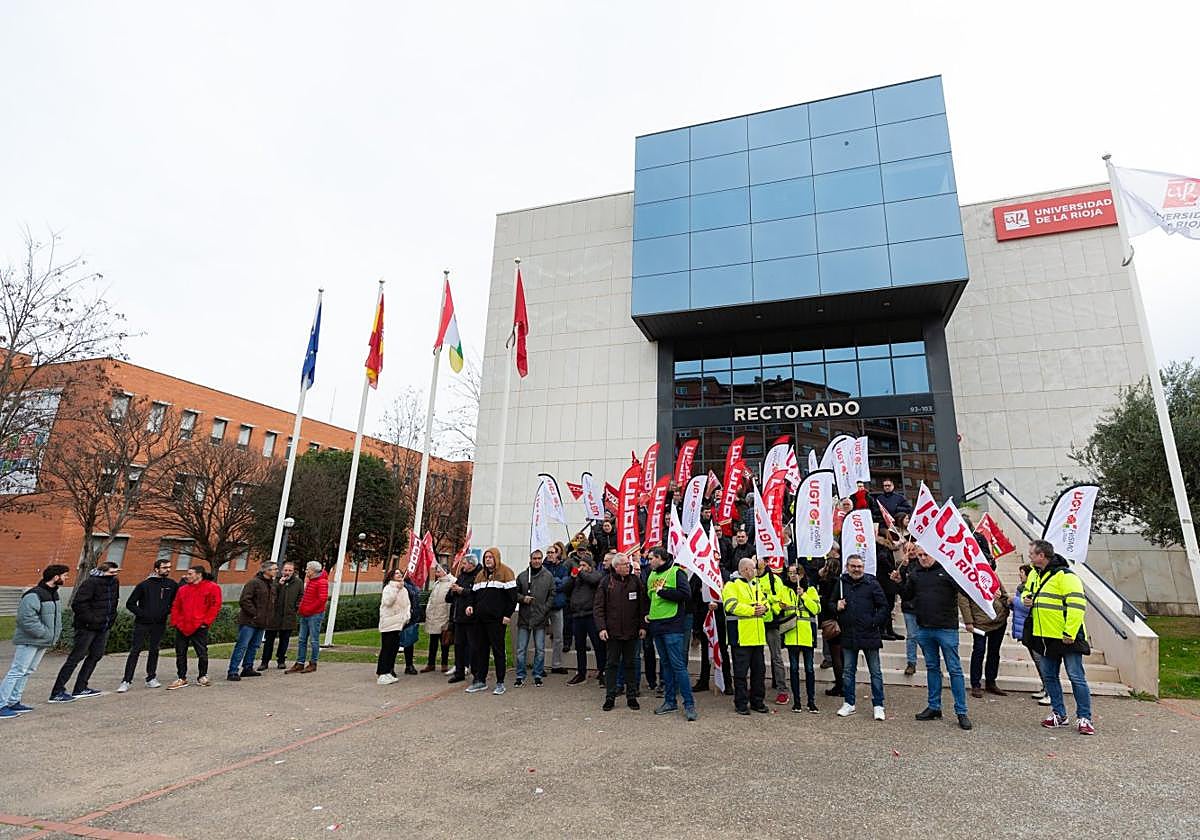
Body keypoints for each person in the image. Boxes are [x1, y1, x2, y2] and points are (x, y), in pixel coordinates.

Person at [1024, 539, 1095, 735]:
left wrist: (1070, 632)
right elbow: (1027, 592)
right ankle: (1059, 714)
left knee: (1076, 677)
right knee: (1049, 676)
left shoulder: (1066, 576)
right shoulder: (1034, 574)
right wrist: (1026, 599)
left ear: (1041, 555)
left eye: (1032, 553)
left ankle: (1084, 717)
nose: (1029, 556)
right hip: (1044, 636)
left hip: (1066, 637)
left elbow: (1077, 605)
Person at [902, 545, 973, 730]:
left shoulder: (948, 571)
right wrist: (899, 580)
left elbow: (966, 592)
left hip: (946, 629)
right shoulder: (916, 573)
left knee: (954, 670)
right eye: (919, 555)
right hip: (924, 628)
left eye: (926, 554)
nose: (923, 558)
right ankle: (934, 707)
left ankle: (961, 711)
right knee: (932, 668)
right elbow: (907, 595)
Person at [0, 565, 68, 718]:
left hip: (42, 641)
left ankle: (14, 701)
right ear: (55, 577)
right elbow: (26, 619)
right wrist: (44, 633)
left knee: (28, 671)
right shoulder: (34, 594)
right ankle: (1, 704)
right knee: (17, 671)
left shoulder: (53, 594)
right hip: (30, 640)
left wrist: (50, 636)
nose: (66, 578)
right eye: (64, 575)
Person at [49, 560, 120, 702]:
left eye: (116, 572)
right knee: (76, 657)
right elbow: (79, 604)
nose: (114, 575)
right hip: (86, 627)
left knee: (96, 655)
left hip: (103, 627)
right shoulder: (91, 583)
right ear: (103, 572)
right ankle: (57, 691)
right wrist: (91, 620)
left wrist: (110, 619)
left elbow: (114, 601)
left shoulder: (114, 583)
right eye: (111, 572)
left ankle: (81, 687)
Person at [830, 554, 887, 720]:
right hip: (849, 634)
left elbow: (883, 606)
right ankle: (849, 703)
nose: (856, 569)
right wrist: (836, 606)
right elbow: (830, 603)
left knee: (875, 672)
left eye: (859, 566)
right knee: (848, 672)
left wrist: (874, 622)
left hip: (869, 633)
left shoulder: (872, 583)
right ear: (847, 567)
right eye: (853, 566)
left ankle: (878, 705)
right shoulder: (841, 583)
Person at [646, 547, 696, 720]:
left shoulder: (676, 572)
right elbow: (650, 597)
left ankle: (689, 704)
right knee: (665, 665)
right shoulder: (652, 575)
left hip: (672, 625)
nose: (648, 561)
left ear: (659, 558)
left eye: (651, 558)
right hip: (656, 625)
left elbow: (685, 594)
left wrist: (664, 592)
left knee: (678, 666)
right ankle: (670, 701)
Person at [594, 551, 648, 711]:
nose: (629, 566)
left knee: (630, 664)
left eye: (629, 563)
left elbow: (642, 606)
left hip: (632, 632)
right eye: (625, 564)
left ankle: (631, 696)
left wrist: (643, 626)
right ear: (616, 566)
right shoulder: (606, 582)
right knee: (611, 664)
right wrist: (602, 628)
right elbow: (598, 607)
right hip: (612, 632)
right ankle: (610, 696)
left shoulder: (635, 582)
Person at [119, 558, 179, 692]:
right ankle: (126, 680)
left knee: (154, 650)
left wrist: (167, 612)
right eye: (164, 567)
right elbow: (130, 603)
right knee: (135, 651)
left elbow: (175, 602)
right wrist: (143, 614)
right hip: (142, 623)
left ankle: (151, 677)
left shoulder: (172, 584)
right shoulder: (144, 585)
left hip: (159, 623)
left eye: (169, 567)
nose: (168, 570)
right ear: (156, 569)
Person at [463, 547, 518, 695]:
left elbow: (512, 597)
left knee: (498, 651)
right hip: (480, 620)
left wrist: (507, 615)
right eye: (486, 557)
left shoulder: (506, 572)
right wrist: (470, 605)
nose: (488, 559)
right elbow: (472, 595)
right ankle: (480, 680)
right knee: (481, 650)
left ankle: (500, 682)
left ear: (496, 558)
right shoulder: (480, 575)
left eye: (490, 557)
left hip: (497, 620)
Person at [722, 556, 769, 716]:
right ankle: (741, 703)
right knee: (741, 673)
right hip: (741, 637)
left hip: (757, 637)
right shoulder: (731, 585)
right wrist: (752, 610)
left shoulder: (756, 584)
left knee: (759, 672)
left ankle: (757, 701)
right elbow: (730, 605)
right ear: (745, 570)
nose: (756, 571)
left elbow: (765, 601)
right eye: (753, 568)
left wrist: (765, 608)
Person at [960, 559, 1010, 698]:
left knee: (994, 652)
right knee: (979, 651)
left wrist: (1006, 602)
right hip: (979, 623)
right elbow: (963, 601)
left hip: (999, 621)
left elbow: (1004, 595)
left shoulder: (994, 577)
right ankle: (975, 684)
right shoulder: (968, 579)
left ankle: (991, 682)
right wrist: (968, 621)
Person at [167, 566, 222, 690]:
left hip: (199, 625)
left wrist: (206, 622)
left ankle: (202, 675)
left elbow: (215, 606)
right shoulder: (183, 589)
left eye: (190, 573)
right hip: (182, 625)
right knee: (180, 652)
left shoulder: (212, 587)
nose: (187, 576)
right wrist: (175, 622)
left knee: (202, 652)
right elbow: (176, 605)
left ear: (199, 574)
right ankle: (182, 677)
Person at [779, 562, 821, 713]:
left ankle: (811, 701)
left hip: (807, 634)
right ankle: (797, 702)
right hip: (791, 634)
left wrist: (803, 595)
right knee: (794, 669)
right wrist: (780, 607)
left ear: (801, 574)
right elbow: (779, 607)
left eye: (795, 573)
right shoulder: (784, 590)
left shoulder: (810, 590)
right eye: (790, 573)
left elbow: (816, 609)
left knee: (809, 669)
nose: (792, 576)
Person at [227, 561, 277, 681]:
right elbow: (245, 600)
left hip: (262, 622)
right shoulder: (254, 583)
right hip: (249, 621)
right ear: (266, 570)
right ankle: (233, 670)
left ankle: (247, 667)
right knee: (242, 645)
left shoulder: (271, 585)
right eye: (274, 569)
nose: (276, 571)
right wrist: (255, 614)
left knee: (254, 646)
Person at [514, 548, 555, 687]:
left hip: (540, 618)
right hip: (525, 618)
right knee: (521, 650)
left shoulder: (548, 576)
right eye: (534, 558)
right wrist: (522, 598)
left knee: (540, 649)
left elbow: (552, 594)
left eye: (539, 558)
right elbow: (514, 593)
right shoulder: (522, 576)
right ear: (530, 560)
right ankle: (520, 675)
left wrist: (545, 609)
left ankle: (537, 674)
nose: (536, 561)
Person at [1012, 563, 1051, 706]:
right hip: (1025, 630)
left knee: (1041, 661)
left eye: (1022, 572)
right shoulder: (1021, 588)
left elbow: (1027, 607)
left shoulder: (1033, 589)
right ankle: (1044, 687)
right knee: (1037, 661)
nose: (1020, 575)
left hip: (1035, 629)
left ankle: (1050, 691)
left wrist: (1013, 600)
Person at [565, 552, 605, 686]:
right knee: (579, 646)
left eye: (583, 565)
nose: (581, 567)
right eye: (580, 565)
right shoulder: (577, 578)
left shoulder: (596, 574)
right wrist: (572, 578)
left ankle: (602, 671)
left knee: (598, 645)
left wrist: (580, 573)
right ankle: (581, 673)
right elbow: (566, 589)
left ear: (589, 566)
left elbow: (593, 580)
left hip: (590, 615)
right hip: (577, 615)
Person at [756, 556, 789, 705]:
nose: (756, 561)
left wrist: (770, 607)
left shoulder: (775, 579)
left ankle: (782, 689)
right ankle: (758, 688)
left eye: (759, 558)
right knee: (756, 658)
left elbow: (782, 601)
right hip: (754, 622)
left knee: (776, 657)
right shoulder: (750, 577)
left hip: (771, 623)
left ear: (766, 562)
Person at [259, 560, 302, 671]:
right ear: (282, 571)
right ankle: (265, 661)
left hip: (288, 616)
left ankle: (281, 660)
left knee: (284, 640)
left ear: (293, 571)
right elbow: (271, 594)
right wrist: (279, 585)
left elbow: (300, 596)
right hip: (274, 616)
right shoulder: (275, 581)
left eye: (290, 570)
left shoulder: (298, 582)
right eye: (285, 570)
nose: (287, 572)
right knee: (269, 640)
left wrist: (295, 608)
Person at [288, 561, 328, 674]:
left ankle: (313, 663)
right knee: (301, 639)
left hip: (314, 615)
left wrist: (309, 609)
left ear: (314, 571)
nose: (306, 571)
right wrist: (302, 608)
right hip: (305, 614)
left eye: (308, 569)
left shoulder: (321, 582)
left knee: (314, 640)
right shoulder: (311, 581)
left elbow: (322, 599)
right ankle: (300, 662)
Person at [445, 553, 479, 684]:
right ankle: (459, 672)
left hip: (471, 618)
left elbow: (476, 594)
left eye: (464, 563)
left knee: (473, 646)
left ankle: (476, 673)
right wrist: (453, 590)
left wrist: (462, 591)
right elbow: (449, 598)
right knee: (458, 645)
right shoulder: (462, 575)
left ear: (471, 564)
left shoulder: (478, 575)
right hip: (458, 617)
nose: (462, 566)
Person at [816, 554, 845, 696]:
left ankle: (840, 685)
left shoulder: (825, 582)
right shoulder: (841, 582)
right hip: (839, 619)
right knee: (841, 655)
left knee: (835, 655)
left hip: (829, 620)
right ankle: (843, 683)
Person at [376, 568, 411, 685]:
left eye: (400, 573)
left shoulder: (404, 589)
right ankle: (382, 672)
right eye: (396, 573)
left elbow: (407, 604)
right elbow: (388, 602)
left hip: (399, 623)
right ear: (391, 576)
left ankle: (389, 671)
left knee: (393, 649)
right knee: (386, 647)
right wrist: (396, 589)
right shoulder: (389, 588)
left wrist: (407, 616)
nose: (399, 575)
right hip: (389, 622)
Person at [894, 540, 921, 675]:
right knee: (911, 635)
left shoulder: (922, 563)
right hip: (909, 606)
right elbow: (901, 589)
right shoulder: (900, 566)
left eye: (913, 549)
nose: (910, 553)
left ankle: (932, 663)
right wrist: (903, 568)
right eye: (907, 550)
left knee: (927, 637)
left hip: (923, 606)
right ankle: (911, 662)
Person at [543, 541, 570, 674]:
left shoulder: (563, 568)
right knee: (540, 636)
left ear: (557, 554)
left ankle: (556, 665)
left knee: (558, 637)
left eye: (552, 552)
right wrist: (555, 581)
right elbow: (542, 585)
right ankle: (539, 665)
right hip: (544, 606)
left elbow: (564, 584)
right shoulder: (542, 567)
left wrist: (552, 582)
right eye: (548, 552)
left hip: (558, 605)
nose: (550, 555)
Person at [423, 564, 455, 674]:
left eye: (438, 571)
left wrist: (449, 619)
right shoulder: (437, 583)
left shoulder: (452, 582)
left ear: (444, 571)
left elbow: (450, 602)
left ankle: (444, 664)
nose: (436, 573)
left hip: (444, 617)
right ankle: (430, 664)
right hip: (433, 617)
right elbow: (432, 600)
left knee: (444, 642)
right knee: (432, 643)